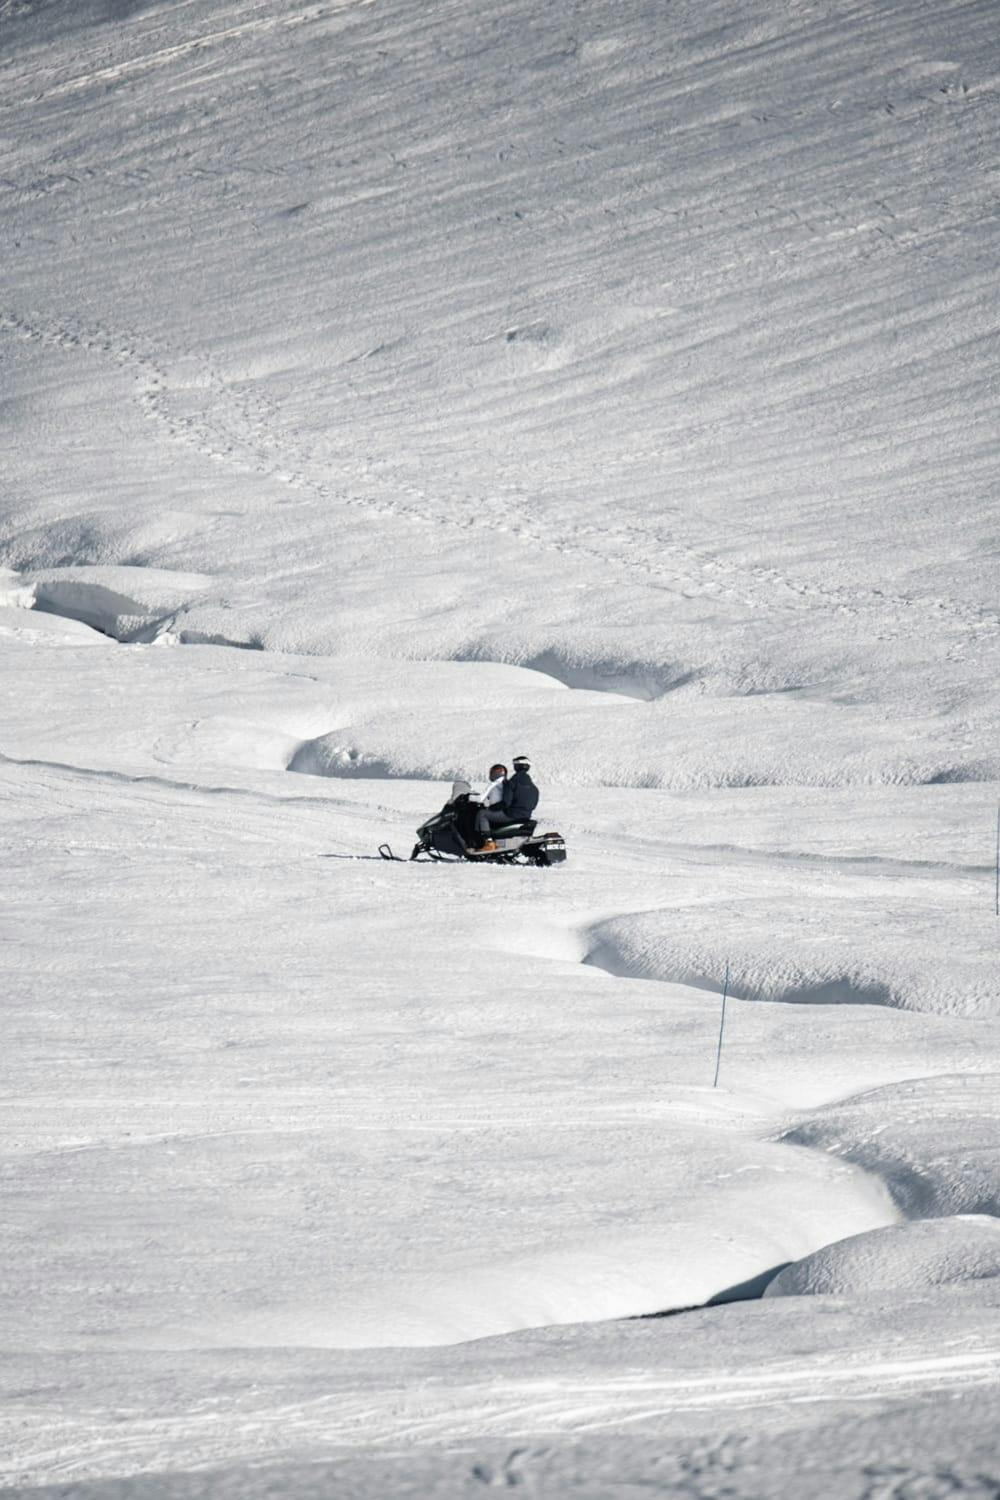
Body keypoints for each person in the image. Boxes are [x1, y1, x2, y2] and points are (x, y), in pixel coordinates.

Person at [470, 756, 539, 853]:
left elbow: (506, 803)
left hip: (511, 815)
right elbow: (533, 805)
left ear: (516, 766)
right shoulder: (534, 788)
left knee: (482, 814)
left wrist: (492, 808)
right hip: (526, 816)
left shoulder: (512, 783)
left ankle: (488, 842)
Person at [471, 763, 508, 852]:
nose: (490, 774)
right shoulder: (506, 783)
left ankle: (489, 842)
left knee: (482, 814)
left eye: (492, 772)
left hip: (499, 811)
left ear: (496, 773)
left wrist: (467, 797)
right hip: (504, 810)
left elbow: (480, 798)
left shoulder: (494, 784)